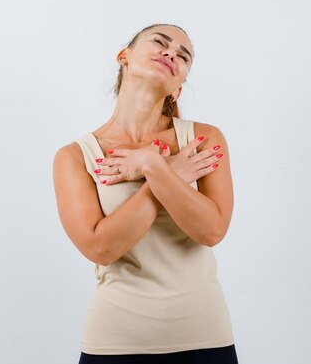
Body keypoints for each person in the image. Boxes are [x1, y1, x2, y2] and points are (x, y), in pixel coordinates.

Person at [52, 23, 239, 364]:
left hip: (205, 338)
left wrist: (150, 166)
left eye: (183, 56)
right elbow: (100, 247)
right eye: (160, 43)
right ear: (124, 56)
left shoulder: (202, 141)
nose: (172, 54)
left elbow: (211, 230)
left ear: (178, 89)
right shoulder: (76, 156)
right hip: (114, 343)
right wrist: (167, 176)